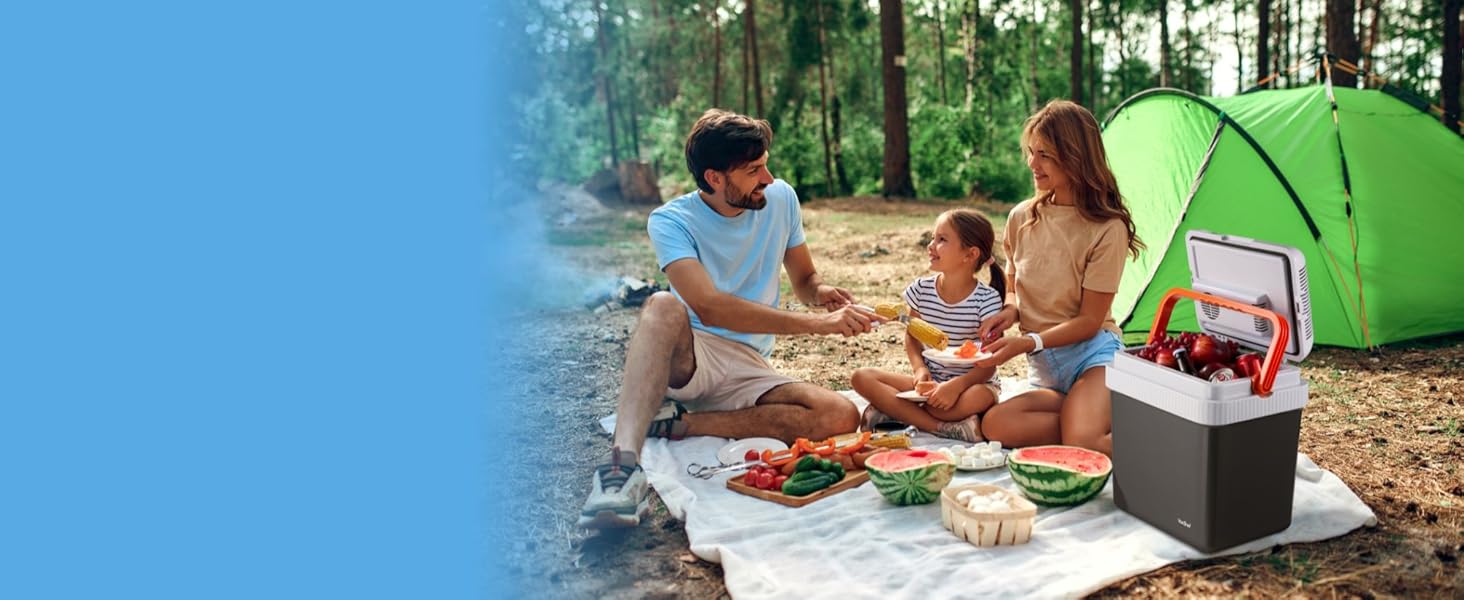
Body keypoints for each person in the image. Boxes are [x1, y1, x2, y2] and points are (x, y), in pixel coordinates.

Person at [579, 109, 886, 529]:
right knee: (662, 305)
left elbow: (804, 278)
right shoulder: (671, 221)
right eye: (754, 170)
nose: (768, 178)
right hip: (694, 354)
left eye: (765, 164)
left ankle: (679, 424)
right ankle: (621, 471)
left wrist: (819, 293)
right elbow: (709, 306)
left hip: (748, 363)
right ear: (715, 178)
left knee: (839, 414)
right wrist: (818, 325)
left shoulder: (781, 200)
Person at [973, 99, 1144, 458]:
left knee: (1083, 443)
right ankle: (1090, 419)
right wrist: (1010, 311)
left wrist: (1026, 342)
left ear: (1076, 156)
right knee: (994, 426)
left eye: (1046, 155)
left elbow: (1089, 321)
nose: (1033, 164)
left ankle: (1163, 437)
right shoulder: (1022, 217)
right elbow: (1014, 281)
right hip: (1047, 371)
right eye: (1031, 153)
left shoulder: (1106, 228)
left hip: (1093, 358)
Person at [850, 210, 1005, 443]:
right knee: (861, 377)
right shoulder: (921, 290)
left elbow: (990, 362)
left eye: (942, 240)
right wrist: (919, 370)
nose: (931, 245)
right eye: (933, 238)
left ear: (970, 254)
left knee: (977, 398)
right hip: (929, 380)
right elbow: (912, 335)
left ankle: (895, 412)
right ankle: (941, 427)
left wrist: (956, 386)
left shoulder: (987, 300)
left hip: (971, 383)